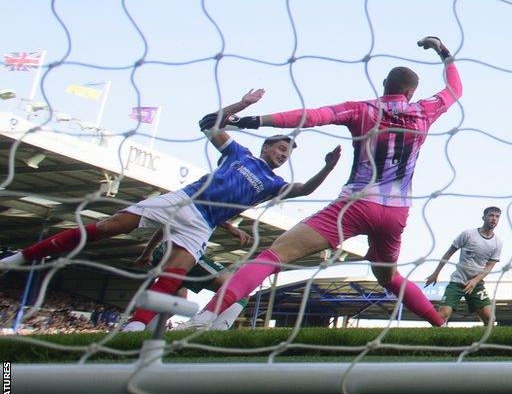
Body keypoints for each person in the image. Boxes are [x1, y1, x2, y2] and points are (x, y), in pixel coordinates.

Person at [0, 89, 339, 331]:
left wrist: (326, 168)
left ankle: (136, 326)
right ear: (267, 145)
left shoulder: (272, 184)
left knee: (175, 274)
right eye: (281, 148)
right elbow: (209, 123)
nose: (283, 155)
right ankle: (20, 258)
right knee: (107, 228)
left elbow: (306, 189)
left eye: (288, 153)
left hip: (202, 225)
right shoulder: (240, 155)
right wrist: (244, 104)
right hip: (181, 200)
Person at [182, 37, 461, 328]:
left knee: (272, 256)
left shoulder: (361, 109)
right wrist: (443, 51)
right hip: (395, 213)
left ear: (383, 84)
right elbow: (455, 89)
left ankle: (205, 318)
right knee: (389, 277)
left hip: (355, 204)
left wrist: (252, 121)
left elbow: (311, 117)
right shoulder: (424, 111)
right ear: (411, 91)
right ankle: (438, 324)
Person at [137, 223, 252, 331]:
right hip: (186, 251)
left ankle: (140, 330)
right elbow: (204, 206)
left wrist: (148, 252)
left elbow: (168, 224)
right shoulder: (206, 207)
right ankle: (210, 329)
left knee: (178, 300)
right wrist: (230, 228)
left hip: (165, 252)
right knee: (239, 289)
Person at [424, 207, 503, 325]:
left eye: (497, 217)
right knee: (441, 317)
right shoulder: (468, 234)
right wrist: (436, 273)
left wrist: (475, 281)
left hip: (476, 285)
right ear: (484, 217)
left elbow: (489, 267)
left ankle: (484, 342)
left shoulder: (497, 243)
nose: (494, 219)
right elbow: (448, 253)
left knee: (490, 319)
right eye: (491, 215)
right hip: (457, 282)